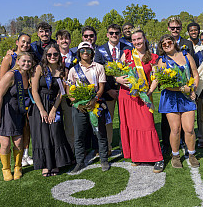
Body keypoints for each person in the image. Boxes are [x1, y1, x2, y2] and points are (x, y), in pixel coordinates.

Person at [117, 29, 164, 173]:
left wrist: (150, 91)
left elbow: (156, 77)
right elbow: (117, 72)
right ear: (131, 41)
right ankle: (138, 155)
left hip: (144, 95)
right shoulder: (127, 54)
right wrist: (117, 79)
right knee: (131, 126)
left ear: (144, 39)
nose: (137, 42)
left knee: (148, 125)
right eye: (134, 40)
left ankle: (157, 158)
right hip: (127, 95)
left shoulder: (153, 57)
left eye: (139, 39)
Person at [0, 52, 34, 181]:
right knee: (6, 144)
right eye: (23, 61)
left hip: (16, 112)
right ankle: (6, 169)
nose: (26, 64)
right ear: (17, 61)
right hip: (3, 111)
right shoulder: (10, 75)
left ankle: (18, 167)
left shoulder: (29, 75)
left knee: (19, 143)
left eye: (29, 62)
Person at [30, 44, 74, 177]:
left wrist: (53, 110)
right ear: (45, 56)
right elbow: (34, 91)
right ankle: (45, 165)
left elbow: (61, 92)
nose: (52, 57)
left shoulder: (62, 71)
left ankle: (55, 164)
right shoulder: (39, 68)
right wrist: (42, 110)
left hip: (54, 104)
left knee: (55, 132)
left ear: (59, 55)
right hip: (40, 105)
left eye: (55, 54)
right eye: (49, 55)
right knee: (43, 134)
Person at [157, 34, 200, 168]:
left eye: (169, 42)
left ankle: (192, 154)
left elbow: (195, 74)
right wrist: (183, 88)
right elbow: (164, 83)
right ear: (161, 47)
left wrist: (193, 89)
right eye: (164, 44)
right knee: (175, 129)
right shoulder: (162, 61)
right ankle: (175, 156)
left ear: (174, 42)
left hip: (187, 96)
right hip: (170, 97)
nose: (167, 45)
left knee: (189, 129)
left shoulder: (186, 55)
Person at [67, 42, 110, 173]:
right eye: (83, 50)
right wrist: (75, 102)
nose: (86, 52)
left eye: (88, 50)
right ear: (79, 53)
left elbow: (101, 86)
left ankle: (104, 159)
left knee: (100, 133)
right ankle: (80, 162)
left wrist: (94, 99)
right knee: (79, 135)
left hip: (95, 105)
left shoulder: (99, 67)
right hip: (79, 107)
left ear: (92, 52)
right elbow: (69, 88)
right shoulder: (73, 70)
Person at [95, 24, 133, 156]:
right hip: (108, 91)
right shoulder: (100, 50)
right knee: (108, 121)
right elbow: (98, 73)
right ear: (107, 34)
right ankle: (108, 146)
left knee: (125, 120)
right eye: (111, 33)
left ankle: (126, 146)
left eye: (117, 33)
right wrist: (108, 89)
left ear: (121, 34)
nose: (114, 35)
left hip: (126, 90)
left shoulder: (128, 49)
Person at [160, 17, 195, 155]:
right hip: (170, 94)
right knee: (172, 127)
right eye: (172, 28)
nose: (175, 30)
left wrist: (193, 88)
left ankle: (188, 147)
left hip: (186, 92)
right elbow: (161, 75)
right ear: (169, 28)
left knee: (189, 127)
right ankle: (170, 148)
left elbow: (193, 69)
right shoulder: (162, 54)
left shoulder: (187, 45)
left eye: (177, 28)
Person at [1, 33, 34, 167]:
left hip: (27, 96)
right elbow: (2, 81)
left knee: (27, 126)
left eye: (28, 42)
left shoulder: (30, 56)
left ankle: (26, 154)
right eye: (23, 42)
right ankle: (12, 164)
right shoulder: (9, 57)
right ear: (17, 42)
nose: (25, 45)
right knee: (15, 128)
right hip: (13, 98)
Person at [56, 29, 76, 152]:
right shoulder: (52, 56)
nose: (64, 40)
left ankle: (71, 151)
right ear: (57, 41)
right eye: (61, 38)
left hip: (70, 96)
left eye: (67, 38)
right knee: (56, 126)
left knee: (70, 126)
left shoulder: (76, 57)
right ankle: (59, 153)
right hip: (55, 96)